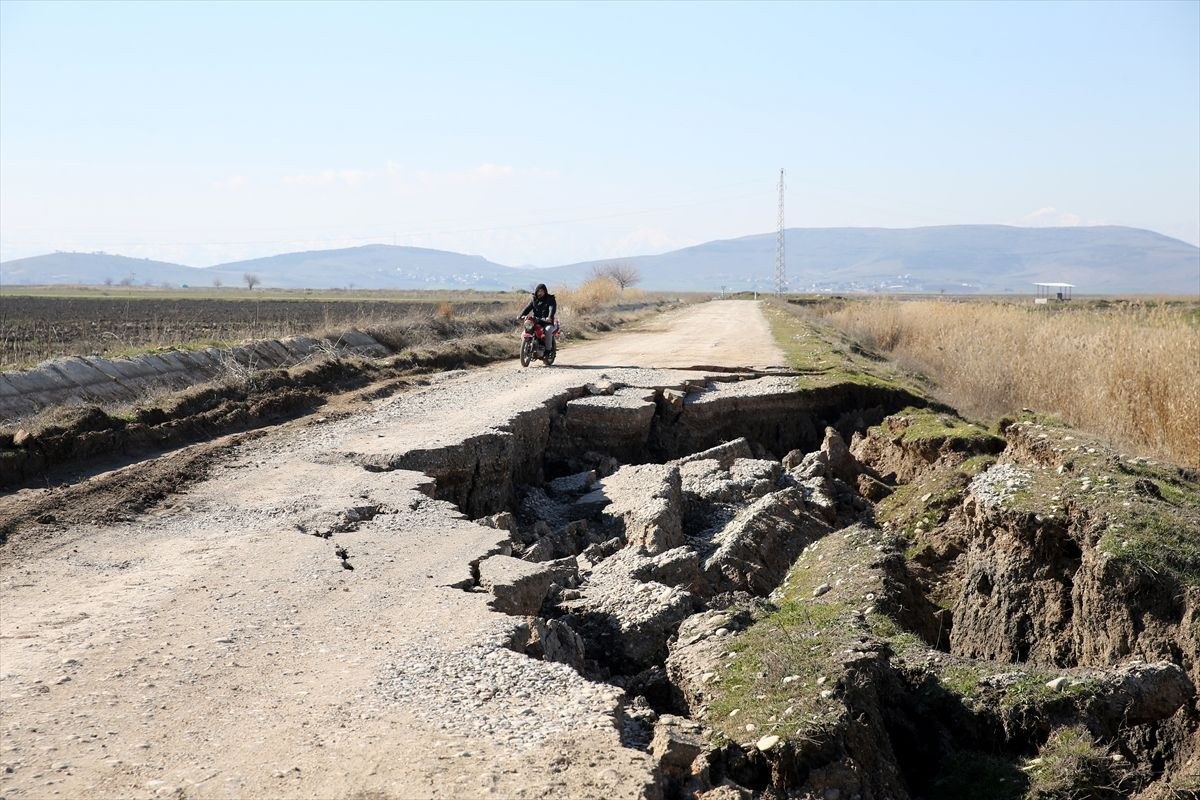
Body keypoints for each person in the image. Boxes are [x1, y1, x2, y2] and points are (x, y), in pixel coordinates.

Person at [518, 284, 558, 353]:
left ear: (545, 291)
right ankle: (528, 347)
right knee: (525, 332)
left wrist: (549, 317)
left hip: (546, 321)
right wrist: (521, 315)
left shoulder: (550, 299)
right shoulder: (534, 299)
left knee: (547, 330)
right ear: (536, 291)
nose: (540, 293)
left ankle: (548, 350)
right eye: (538, 291)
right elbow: (528, 308)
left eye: (542, 291)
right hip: (536, 320)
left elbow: (552, 308)